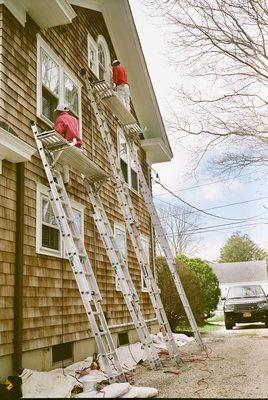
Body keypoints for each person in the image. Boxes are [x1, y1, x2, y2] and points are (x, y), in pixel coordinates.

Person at [54, 104, 82, 185]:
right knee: (65, 160)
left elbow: (57, 132)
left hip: (69, 144)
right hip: (77, 145)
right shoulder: (74, 119)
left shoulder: (61, 118)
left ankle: (55, 177)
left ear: (59, 111)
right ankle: (66, 181)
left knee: (55, 154)